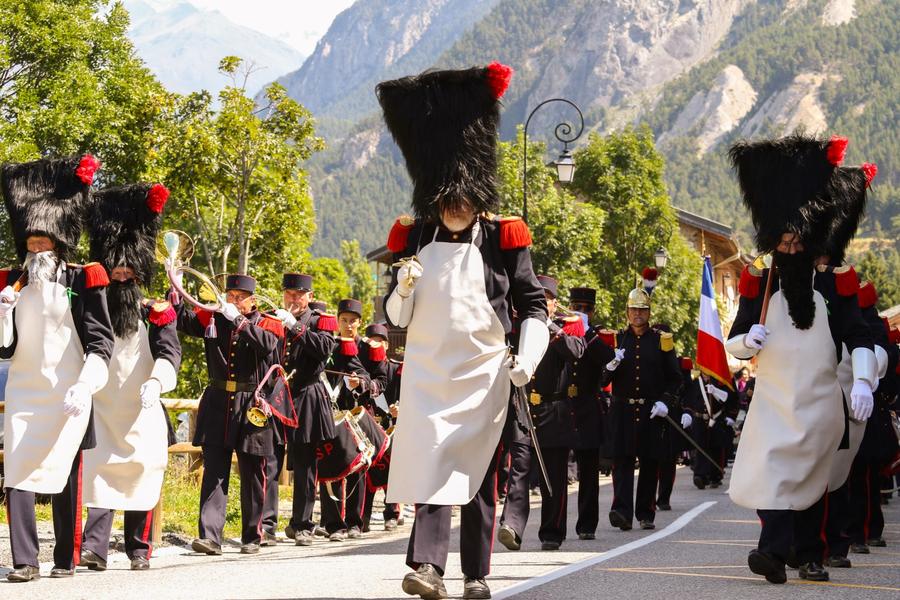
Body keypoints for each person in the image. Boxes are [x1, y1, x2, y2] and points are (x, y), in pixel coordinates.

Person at [378, 62, 548, 600]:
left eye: (465, 197)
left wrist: (529, 355)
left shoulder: (505, 238)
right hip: (429, 373)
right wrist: (402, 289)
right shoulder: (413, 235)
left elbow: (533, 305)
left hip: (483, 372)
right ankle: (426, 568)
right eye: (447, 196)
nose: (456, 206)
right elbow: (396, 318)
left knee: (476, 478)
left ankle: (476, 574)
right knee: (430, 469)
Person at [725, 134, 877, 584]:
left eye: (796, 243)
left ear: (809, 241)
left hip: (818, 400)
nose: (789, 250)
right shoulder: (760, 279)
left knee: (812, 481)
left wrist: (865, 380)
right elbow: (733, 341)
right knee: (774, 476)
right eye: (783, 243)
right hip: (772, 400)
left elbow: (861, 335)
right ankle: (770, 553)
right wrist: (747, 340)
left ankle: (810, 555)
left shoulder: (836, 282)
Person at [0, 155, 115, 582]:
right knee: (18, 472)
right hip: (25, 392)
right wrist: (3, 313)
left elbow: (101, 341)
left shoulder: (85, 279)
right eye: (30, 243)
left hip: (70, 391)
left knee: (64, 474)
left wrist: (85, 385)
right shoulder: (8, 280)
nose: (36, 250)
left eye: (43, 243)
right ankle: (25, 561)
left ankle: (65, 557)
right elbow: (3, 350)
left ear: (59, 242)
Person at [79, 183, 181, 571]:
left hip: (142, 406)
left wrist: (157, 381)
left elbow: (170, 352)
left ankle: (140, 549)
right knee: (99, 473)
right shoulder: (91, 303)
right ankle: (95, 548)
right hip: (102, 406)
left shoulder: (155, 309)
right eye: (115, 264)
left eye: (128, 265)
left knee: (142, 471)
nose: (121, 272)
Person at [174, 273, 285, 556]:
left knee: (252, 473)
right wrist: (175, 287)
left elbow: (269, 345)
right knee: (214, 470)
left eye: (239, 298)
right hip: (218, 401)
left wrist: (238, 320)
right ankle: (210, 536)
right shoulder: (213, 318)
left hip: (251, 404)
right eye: (230, 296)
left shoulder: (267, 322)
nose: (232, 302)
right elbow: (182, 320)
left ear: (251, 300)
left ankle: (252, 535)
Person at [498, 276, 585, 552]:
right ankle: (512, 525)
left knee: (554, 477)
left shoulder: (563, 330)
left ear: (554, 304)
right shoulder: (515, 329)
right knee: (519, 469)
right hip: (523, 408)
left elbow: (577, 351)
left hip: (554, 410)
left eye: (545, 298)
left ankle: (552, 531)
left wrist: (548, 327)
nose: (539, 301)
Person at [601, 287, 682, 532]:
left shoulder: (661, 341)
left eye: (642, 310)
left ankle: (646, 512)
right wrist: (612, 364)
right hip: (623, 410)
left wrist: (665, 402)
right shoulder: (616, 340)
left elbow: (675, 378)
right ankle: (622, 512)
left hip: (650, 410)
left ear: (649, 313)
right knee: (622, 462)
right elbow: (602, 380)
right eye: (634, 309)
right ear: (627, 312)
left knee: (649, 463)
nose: (638, 314)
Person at [276, 273, 339, 546]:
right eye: (289, 293)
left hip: (306, 396)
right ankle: (265, 524)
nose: (294, 299)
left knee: (304, 465)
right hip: (277, 396)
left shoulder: (318, 321)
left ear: (309, 297)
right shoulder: (273, 316)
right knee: (269, 461)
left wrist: (295, 327)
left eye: (299, 295)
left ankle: (302, 524)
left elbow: (324, 348)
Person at [318, 298, 374, 541]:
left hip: (352, 413)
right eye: (344, 320)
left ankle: (354, 522)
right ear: (337, 320)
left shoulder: (365, 348)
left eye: (353, 321)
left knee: (355, 469)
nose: (348, 325)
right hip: (328, 414)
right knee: (328, 468)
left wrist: (361, 383)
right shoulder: (328, 343)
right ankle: (333, 524)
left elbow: (376, 379)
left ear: (360, 323)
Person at [567, 287, 615, 537]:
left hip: (587, 407)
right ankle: (553, 528)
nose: (580, 312)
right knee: (557, 470)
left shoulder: (598, 336)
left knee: (588, 473)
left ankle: (586, 526)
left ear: (592, 312)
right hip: (562, 407)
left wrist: (585, 332)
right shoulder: (560, 330)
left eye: (586, 309)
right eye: (576, 307)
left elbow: (608, 363)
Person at [688, 372, 738, 490]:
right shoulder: (695, 382)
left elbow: (732, 399)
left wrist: (731, 415)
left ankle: (715, 475)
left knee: (716, 447)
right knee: (700, 447)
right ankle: (700, 475)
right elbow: (688, 399)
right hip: (699, 419)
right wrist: (687, 414)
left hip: (717, 418)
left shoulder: (721, 381)